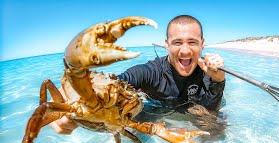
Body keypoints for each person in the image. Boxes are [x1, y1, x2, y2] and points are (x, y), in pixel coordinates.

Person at [50, 15, 225, 134]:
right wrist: (72, 93)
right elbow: (112, 84)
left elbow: (211, 108)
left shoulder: (207, 70)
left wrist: (218, 80)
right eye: (177, 42)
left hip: (190, 110)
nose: (185, 51)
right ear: (167, 45)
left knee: (215, 129)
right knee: (133, 129)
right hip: (153, 110)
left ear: (203, 44)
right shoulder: (149, 72)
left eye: (193, 42)